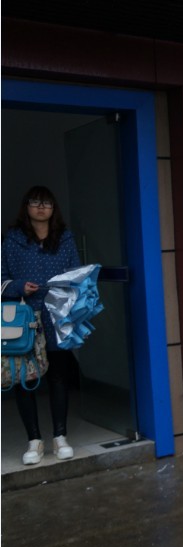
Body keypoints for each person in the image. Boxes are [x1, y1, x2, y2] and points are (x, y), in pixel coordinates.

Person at [1, 186, 81, 465]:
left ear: (53, 208)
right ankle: (34, 441)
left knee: (59, 377)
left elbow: (76, 275)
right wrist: (19, 286)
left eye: (46, 202)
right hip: (26, 319)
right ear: (26, 207)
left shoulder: (65, 238)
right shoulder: (12, 240)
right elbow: (1, 279)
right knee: (26, 379)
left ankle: (60, 437)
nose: (40, 207)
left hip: (57, 316)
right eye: (35, 202)